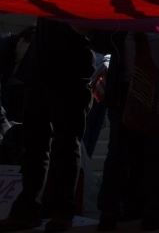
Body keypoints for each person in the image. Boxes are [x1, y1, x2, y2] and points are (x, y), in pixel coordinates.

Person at [92, 32, 159, 231]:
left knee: (158, 152)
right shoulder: (123, 22)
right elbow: (100, 40)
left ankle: (153, 210)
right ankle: (112, 210)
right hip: (124, 90)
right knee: (119, 153)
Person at [0, 19, 93, 233]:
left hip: (71, 67)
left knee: (66, 142)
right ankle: (29, 207)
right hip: (40, 67)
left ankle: (61, 209)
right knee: (35, 143)